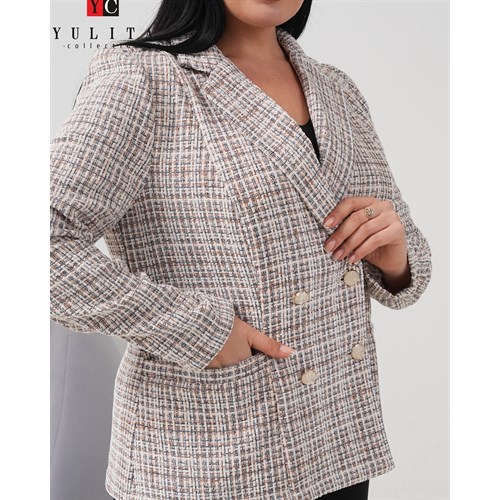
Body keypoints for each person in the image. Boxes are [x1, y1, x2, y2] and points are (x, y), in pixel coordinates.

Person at [50, 0, 432, 499]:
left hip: (337, 438)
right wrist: (200, 329)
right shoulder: (142, 78)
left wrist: (396, 256)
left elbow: (406, 255)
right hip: (214, 450)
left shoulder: (336, 89)